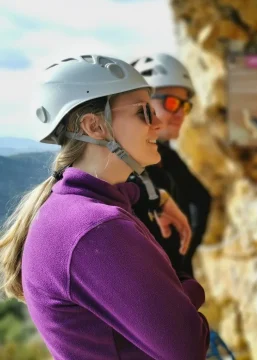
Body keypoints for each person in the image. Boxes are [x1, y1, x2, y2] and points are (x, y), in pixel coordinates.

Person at [0, 55, 209, 359]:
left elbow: (121, 193)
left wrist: (155, 197)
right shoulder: (98, 229)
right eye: (144, 112)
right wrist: (186, 289)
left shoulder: (68, 206)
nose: (159, 123)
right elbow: (188, 347)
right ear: (94, 126)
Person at [130, 53, 212, 278]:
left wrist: (181, 263)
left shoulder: (164, 155)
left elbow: (201, 199)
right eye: (172, 103)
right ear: (141, 103)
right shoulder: (122, 167)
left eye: (185, 106)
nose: (180, 115)